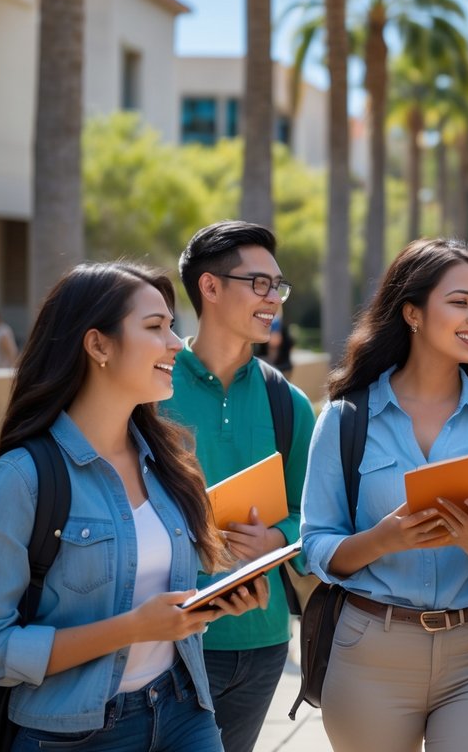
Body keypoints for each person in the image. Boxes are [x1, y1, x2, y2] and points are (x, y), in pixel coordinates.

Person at [0, 262, 266, 752]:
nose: (176, 343)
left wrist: (214, 600)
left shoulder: (167, 463)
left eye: (172, 326)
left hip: (183, 709)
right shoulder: (21, 479)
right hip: (73, 735)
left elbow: (154, 590)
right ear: (98, 345)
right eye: (155, 328)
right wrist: (132, 629)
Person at [300, 239, 468, 751]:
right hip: (370, 653)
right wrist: (382, 540)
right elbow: (316, 543)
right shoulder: (345, 419)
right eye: (459, 302)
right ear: (412, 312)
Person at [161, 221, 315, 752]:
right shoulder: (150, 385)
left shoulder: (288, 402)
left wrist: (278, 539)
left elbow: (315, 517)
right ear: (209, 286)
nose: (274, 299)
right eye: (260, 284)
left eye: (279, 287)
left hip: (261, 642)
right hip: (165, 639)